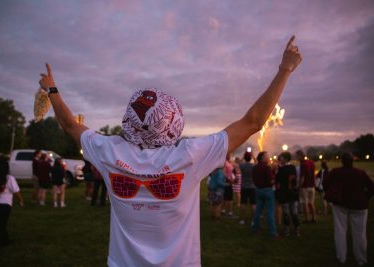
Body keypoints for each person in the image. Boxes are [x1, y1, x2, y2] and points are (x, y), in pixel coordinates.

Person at [38, 35, 301, 266]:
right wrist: (285, 69)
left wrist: (52, 89)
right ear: (172, 122)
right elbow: (253, 122)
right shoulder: (188, 155)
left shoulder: (109, 151)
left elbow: (69, 125)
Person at [323, 152, 374, 266]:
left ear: (342, 161)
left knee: (340, 231)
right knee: (360, 233)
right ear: (352, 161)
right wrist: (366, 197)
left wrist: (330, 193)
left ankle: (341, 258)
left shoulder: (336, 172)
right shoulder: (361, 173)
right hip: (359, 205)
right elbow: (372, 187)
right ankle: (361, 259)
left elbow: (325, 183)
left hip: (340, 204)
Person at [252, 151, 277, 238]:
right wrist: (276, 178)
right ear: (262, 158)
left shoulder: (255, 167)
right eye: (267, 156)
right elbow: (271, 181)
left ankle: (256, 228)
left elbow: (254, 179)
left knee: (258, 211)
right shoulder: (266, 168)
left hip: (258, 190)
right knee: (270, 212)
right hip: (267, 191)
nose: (268, 157)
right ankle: (272, 233)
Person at [275, 152, 300, 237]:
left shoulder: (282, 169)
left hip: (285, 193)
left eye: (281, 158)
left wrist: (277, 170)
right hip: (293, 193)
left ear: (285, 159)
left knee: (286, 212)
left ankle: (287, 230)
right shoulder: (293, 167)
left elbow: (277, 179)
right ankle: (297, 230)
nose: (279, 159)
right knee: (294, 212)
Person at [296, 150, 316, 223]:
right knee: (311, 202)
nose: (296, 157)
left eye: (297, 156)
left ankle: (307, 219)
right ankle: (314, 218)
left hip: (305, 186)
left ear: (300, 156)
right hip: (312, 186)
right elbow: (314, 174)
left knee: (305, 203)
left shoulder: (302, 164)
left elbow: (302, 177)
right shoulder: (311, 162)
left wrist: (299, 186)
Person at [239, 151, 256, 225]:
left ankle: (242, 220)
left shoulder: (242, 165)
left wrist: (243, 156)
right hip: (252, 187)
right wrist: (253, 156)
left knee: (243, 203)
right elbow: (257, 162)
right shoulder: (253, 166)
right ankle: (253, 220)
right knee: (253, 204)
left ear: (245, 158)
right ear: (250, 158)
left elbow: (239, 162)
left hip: (244, 187)